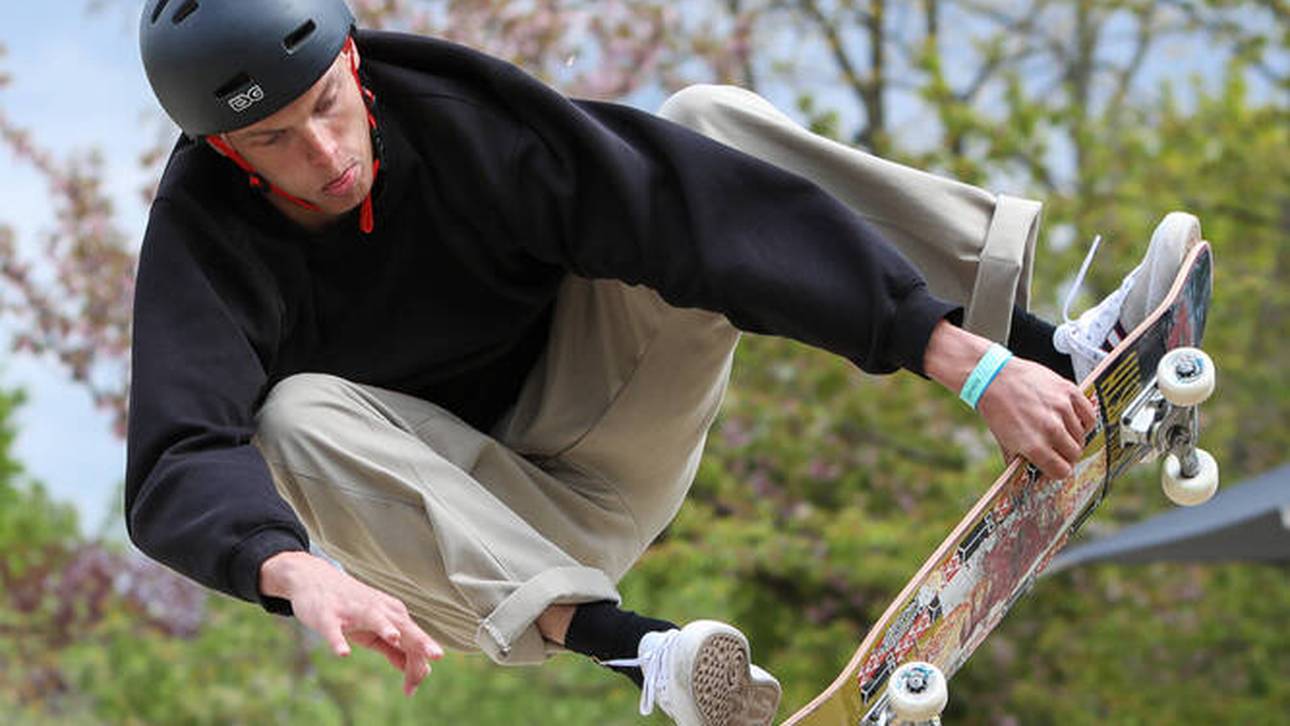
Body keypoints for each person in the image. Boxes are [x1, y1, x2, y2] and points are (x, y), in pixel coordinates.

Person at [127, 0, 1199, 723]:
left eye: (326, 107)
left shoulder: (456, 116)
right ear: (223, 150)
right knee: (292, 415)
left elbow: (677, 216)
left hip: (610, 416)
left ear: (352, 62)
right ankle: (648, 657)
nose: (324, 157)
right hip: (473, 543)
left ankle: (1052, 349)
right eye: (273, 142)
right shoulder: (202, 243)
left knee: (698, 132)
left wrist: (968, 367)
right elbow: (179, 457)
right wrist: (292, 569)